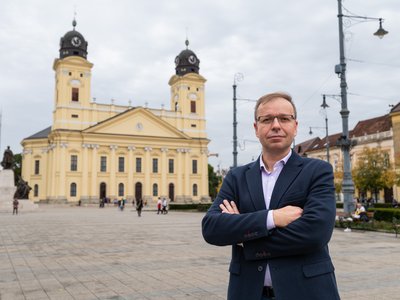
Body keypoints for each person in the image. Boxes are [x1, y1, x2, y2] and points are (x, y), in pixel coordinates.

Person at [202, 92, 340, 300]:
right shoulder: (237, 177)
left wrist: (243, 235)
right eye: (267, 119)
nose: (276, 125)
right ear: (256, 128)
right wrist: (272, 218)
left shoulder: (318, 171)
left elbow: (315, 233)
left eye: (284, 118)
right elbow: (212, 228)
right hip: (248, 293)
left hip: (308, 292)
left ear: (295, 126)